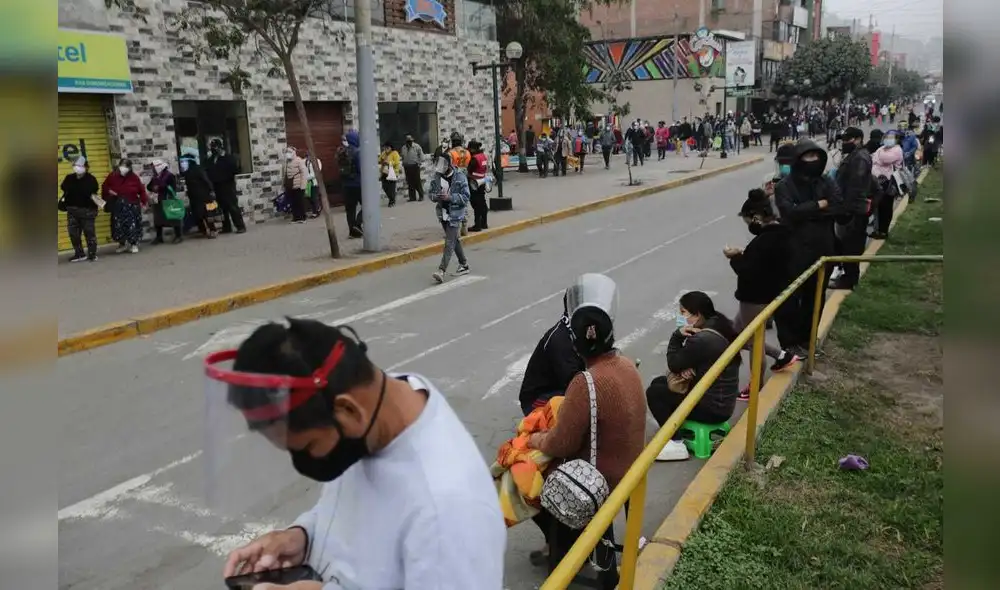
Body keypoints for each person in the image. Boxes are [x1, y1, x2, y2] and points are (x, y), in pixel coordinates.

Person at [217, 319, 505, 589]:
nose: (304, 461)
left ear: (348, 410)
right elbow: (349, 509)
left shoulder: (447, 512)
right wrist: (303, 536)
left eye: (306, 448)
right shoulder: (376, 408)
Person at [526, 274, 645, 574]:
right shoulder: (628, 367)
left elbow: (560, 443)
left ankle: (565, 546)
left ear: (577, 347)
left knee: (523, 479)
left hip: (601, 479)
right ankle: (573, 542)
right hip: (633, 467)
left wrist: (535, 441)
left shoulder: (586, 382)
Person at [645, 291, 741, 461]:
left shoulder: (702, 339)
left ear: (697, 315)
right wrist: (689, 368)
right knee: (659, 383)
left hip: (711, 408)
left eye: (683, 313)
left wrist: (677, 336)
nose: (681, 318)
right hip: (723, 401)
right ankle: (675, 428)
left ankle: (676, 443)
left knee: (654, 393)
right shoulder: (720, 325)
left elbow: (674, 364)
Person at [723, 192, 801, 399]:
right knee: (737, 332)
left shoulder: (766, 241)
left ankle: (757, 382)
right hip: (765, 293)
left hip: (755, 297)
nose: (748, 224)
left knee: (753, 341)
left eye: (748, 219)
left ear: (756, 217)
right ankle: (781, 356)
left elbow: (748, 270)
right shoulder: (780, 234)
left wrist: (734, 257)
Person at [773, 139, 842, 357]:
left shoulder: (825, 182)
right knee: (790, 298)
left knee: (815, 298)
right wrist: (819, 205)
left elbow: (839, 205)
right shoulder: (784, 185)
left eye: (816, 157)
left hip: (823, 249)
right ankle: (789, 342)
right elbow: (789, 212)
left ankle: (807, 339)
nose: (812, 161)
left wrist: (805, 210)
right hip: (793, 250)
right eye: (808, 157)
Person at [517, 292, 585, 416]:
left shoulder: (579, 331)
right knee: (582, 401)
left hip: (561, 386)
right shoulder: (561, 341)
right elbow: (575, 383)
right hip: (538, 400)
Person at [829, 127, 873, 290]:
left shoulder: (860, 158)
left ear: (858, 139)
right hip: (849, 208)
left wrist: (845, 210)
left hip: (853, 210)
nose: (845, 143)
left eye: (848, 139)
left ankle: (849, 279)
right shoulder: (854, 156)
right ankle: (846, 275)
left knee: (851, 246)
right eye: (843, 139)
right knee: (846, 244)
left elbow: (856, 186)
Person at [429, 147, 471, 283]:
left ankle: (441, 270)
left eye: (443, 164)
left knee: (449, 242)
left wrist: (450, 197)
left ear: (449, 164)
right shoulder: (437, 177)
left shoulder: (460, 176)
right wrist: (437, 196)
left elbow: (466, 197)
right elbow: (430, 193)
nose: (440, 167)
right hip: (443, 213)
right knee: (454, 240)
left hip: (456, 213)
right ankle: (464, 264)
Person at [102, 158, 147, 254]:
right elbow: (105, 187)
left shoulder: (134, 177)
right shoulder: (112, 176)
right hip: (118, 205)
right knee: (118, 226)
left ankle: (133, 244)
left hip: (132, 205)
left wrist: (144, 202)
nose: (124, 168)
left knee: (132, 225)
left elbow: (141, 190)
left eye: (126, 166)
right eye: (122, 165)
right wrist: (109, 191)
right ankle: (122, 244)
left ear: (130, 167)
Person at [61, 157, 101, 262]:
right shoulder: (69, 178)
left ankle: (92, 254)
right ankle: (79, 254)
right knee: (73, 234)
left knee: (89, 233)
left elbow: (90, 190)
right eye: (75, 166)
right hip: (72, 210)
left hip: (87, 211)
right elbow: (64, 187)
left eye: (79, 166)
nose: (76, 168)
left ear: (86, 167)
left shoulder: (91, 179)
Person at [206, 138, 246, 234]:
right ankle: (226, 227)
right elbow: (208, 170)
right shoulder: (212, 159)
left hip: (228, 185)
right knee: (222, 208)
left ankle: (240, 226)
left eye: (215, 147)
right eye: (212, 147)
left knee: (232, 207)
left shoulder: (228, 158)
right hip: (217, 186)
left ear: (220, 147)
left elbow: (235, 170)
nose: (213, 149)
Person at [870, 130, 904, 240]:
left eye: (891, 137)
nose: (888, 139)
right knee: (878, 207)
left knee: (886, 207)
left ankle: (883, 231)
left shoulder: (897, 150)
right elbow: (875, 158)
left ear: (897, 139)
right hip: (877, 182)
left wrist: (879, 156)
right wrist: (879, 156)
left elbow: (885, 159)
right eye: (887, 137)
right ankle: (878, 230)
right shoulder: (882, 149)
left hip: (888, 183)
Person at [179, 155, 218, 239]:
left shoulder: (198, 169)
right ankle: (203, 230)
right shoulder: (187, 171)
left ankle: (212, 230)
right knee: (197, 214)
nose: (182, 164)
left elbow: (206, 180)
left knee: (207, 214)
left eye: (184, 162)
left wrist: (211, 190)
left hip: (204, 195)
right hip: (193, 196)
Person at [148, 158, 183, 244]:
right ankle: (159, 237)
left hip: (168, 199)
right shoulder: (155, 177)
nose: (153, 169)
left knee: (174, 218)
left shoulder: (169, 175)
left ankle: (178, 236)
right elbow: (149, 186)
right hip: (159, 200)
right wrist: (153, 188)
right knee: (158, 219)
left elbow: (173, 187)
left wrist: (160, 187)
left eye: (154, 167)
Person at [339, 131, 363, 238]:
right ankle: (357, 224)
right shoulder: (358, 152)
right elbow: (361, 169)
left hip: (346, 185)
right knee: (368, 205)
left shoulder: (341, 152)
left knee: (350, 210)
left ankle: (352, 232)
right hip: (358, 184)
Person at [467, 140, 489, 232]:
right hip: (482, 181)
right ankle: (484, 223)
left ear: (472, 149)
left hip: (474, 182)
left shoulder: (474, 158)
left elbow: (469, 170)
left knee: (476, 204)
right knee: (482, 202)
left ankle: (477, 225)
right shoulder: (483, 156)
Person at [283, 146, 309, 223]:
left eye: (289, 152)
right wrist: (284, 185)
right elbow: (284, 174)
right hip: (290, 186)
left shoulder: (299, 160)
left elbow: (304, 173)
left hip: (298, 185)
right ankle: (295, 217)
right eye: (287, 152)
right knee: (293, 202)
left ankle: (302, 217)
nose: (288, 154)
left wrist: (303, 185)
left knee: (299, 202)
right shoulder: (286, 162)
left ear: (294, 153)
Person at [400, 134, 425, 202]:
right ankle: (412, 197)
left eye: (410, 141)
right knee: (410, 182)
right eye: (408, 141)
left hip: (415, 166)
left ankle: (421, 196)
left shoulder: (417, 146)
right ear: (406, 142)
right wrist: (403, 162)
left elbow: (422, 156)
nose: (409, 143)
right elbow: (402, 156)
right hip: (407, 167)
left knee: (417, 182)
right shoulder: (403, 148)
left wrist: (419, 163)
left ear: (412, 141)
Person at [378, 142, 402, 208]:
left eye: (387, 147)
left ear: (391, 147)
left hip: (393, 172)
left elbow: (396, 162)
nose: (386, 149)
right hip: (384, 172)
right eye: (385, 147)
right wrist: (381, 161)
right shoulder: (383, 153)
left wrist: (388, 162)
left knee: (391, 188)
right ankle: (391, 198)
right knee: (384, 186)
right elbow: (379, 160)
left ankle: (392, 201)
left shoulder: (395, 153)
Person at [304, 152, 323, 218]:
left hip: (314, 182)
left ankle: (316, 211)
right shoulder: (306, 161)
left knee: (314, 197)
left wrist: (307, 177)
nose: (308, 157)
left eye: (309, 156)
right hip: (308, 182)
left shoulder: (317, 161)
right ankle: (315, 209)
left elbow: (317, 171)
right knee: (309, 197)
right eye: (307, 156)